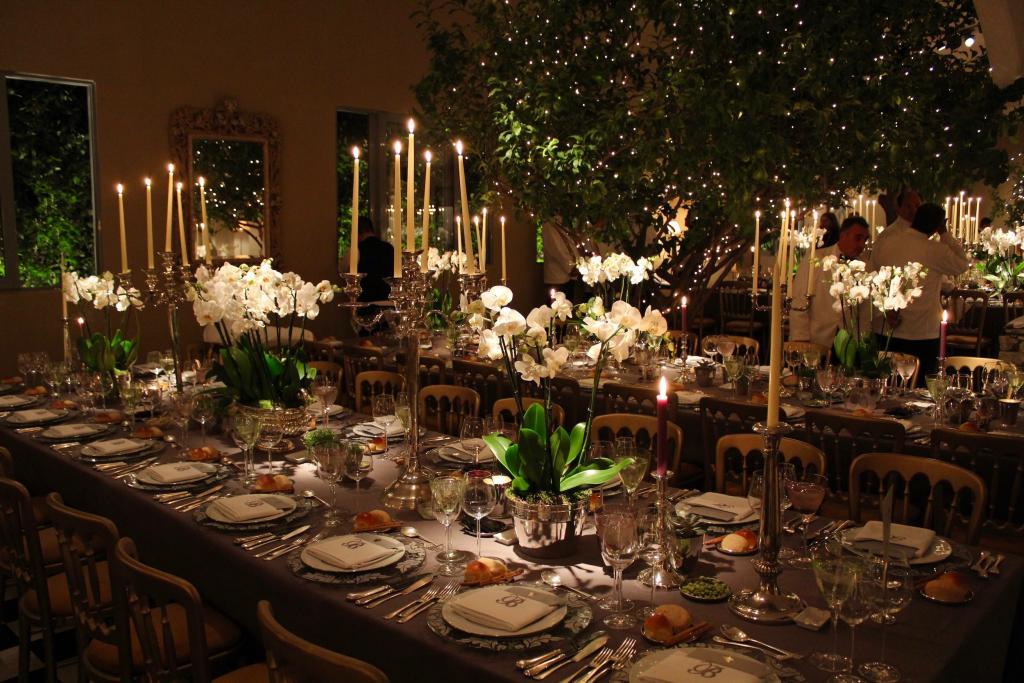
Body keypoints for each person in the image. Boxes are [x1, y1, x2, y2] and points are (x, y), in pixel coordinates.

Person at [870, 203, 968, 376]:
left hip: (886, 326)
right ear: (938, 225)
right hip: (922, 331)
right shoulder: (935, 250)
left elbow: (872, 275)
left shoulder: (886, 242)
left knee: (886, 382)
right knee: (919, 385)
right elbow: (962, 264)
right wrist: (944, 234)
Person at [790, 216, 871, 349]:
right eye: (857, 238)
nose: (862, 245)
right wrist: (801, 338)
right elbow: (799, 299)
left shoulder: (864, 267)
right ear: (843, 235)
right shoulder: (816, 259)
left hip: (849, 344)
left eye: (865, 240)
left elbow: (865, 310)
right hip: (817, 340)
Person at [356, 216, 393, 303]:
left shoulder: (357, 249)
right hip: (388, 299)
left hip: (365, 302)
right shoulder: (389, 248)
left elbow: (343, 268)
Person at [543, 222, 580, 298]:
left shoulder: (561, 223)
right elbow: (557, 250)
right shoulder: (548, 225)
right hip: (557, 277)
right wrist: (572, 268)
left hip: (567, 276)